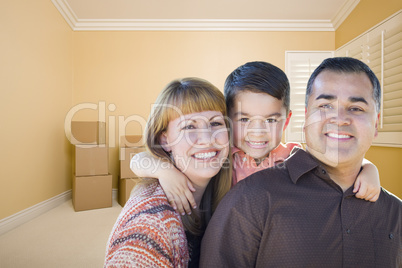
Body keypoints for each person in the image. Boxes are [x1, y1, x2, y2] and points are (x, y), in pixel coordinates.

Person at [199, 57, 402, 267]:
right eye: (325, 105)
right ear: (306, 118)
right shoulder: (222, 161)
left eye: (356, 108)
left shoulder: (290, 155)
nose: (340, 119)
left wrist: (369, 168)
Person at [131, 61, 381, 215]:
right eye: (244, 119)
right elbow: (139, 160)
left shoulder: (294, 155)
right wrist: (165, 171)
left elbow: (336, 165)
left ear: (287, 119)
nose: (258, 132)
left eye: (271, 121)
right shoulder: (220, 153)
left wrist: (369, 169)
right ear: (226, 118)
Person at [104, 77, 232, 267]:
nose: (207, 139)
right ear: (164, 140)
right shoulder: (149, 224)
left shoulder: (228, 182)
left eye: (215, 123)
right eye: (189, 126)